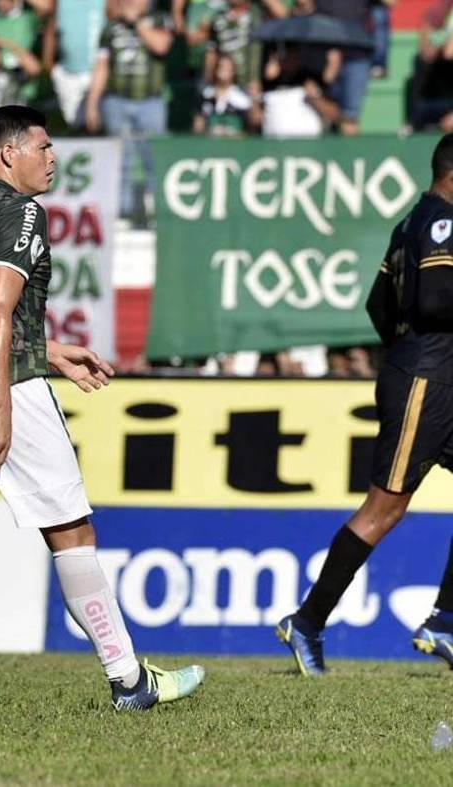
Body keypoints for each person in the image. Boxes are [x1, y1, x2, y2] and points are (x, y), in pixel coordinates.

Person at [0, 105, 204, 712]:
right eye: (42, 147)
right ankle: (130, 682)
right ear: (7, 154)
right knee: (72, 532)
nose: (53, 159)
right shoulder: (23, 211)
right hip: (7, 390)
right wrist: (4, 407)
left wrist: (55, 353)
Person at [276, 133, 453, 675]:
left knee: (388, 507)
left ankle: (445, 621)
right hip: (426, 382)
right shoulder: (443, 223)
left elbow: (379, 303)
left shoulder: (409, 224)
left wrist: (403, 350)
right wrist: (415, 359)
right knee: (385, 508)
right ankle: (307, 621)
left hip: (429, 375)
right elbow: (437, 298)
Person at [87, 0, 174, 220]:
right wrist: (92, 104)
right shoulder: (111, 28)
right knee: (121, 160)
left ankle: (157, 214)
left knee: (154, 159)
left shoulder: (160, 20)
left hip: (150, 103)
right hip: (117, 101)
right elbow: (102, 67)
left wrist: (138, 24)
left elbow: (161, 46)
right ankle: (122, 214)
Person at [260, 4, 342, 138]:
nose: (291, 59)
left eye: (295, 55)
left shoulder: (314, 79)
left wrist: (314, 98)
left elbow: (335, 115)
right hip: (276, 147)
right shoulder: (272, 80)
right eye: (288, 55)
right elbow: (256, 118)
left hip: (310, 149)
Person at [44, 0, 107, 130]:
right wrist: (49, 64)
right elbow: (51, 29)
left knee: (99, 124)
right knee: (75, 125)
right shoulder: (61, 2)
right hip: (68, 75)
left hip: (97, 73)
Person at [314, 0, 372, 136]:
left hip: (357, 54)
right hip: (326, 54)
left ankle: (350, 154)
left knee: (350, 116)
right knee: (325, 114)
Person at [409, 0, 453, 133]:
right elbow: (427, 23)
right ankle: (414, 121)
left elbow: (449, 52)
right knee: (421, 61)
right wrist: (428, 46)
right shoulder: (446, 6)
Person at [194, 52, 256, 135]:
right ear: (216, 69)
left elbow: (252, 127)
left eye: (228, 68)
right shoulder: (206, 94)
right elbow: (198, 126)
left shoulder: (241, 97)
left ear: (233, 71)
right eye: (221, 67)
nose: (224, 70)